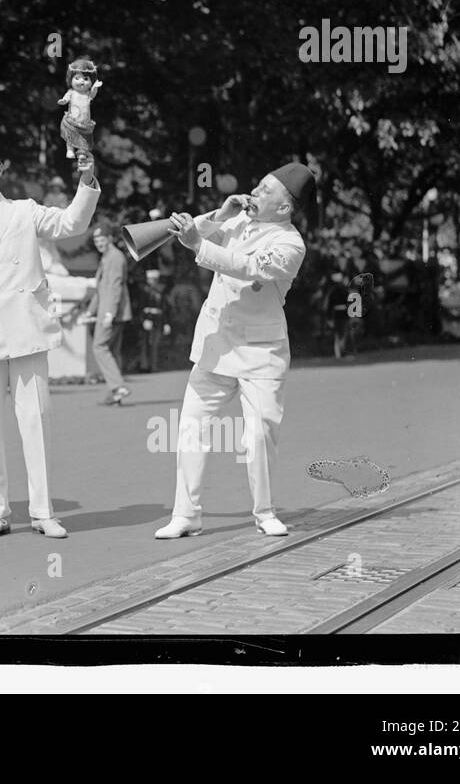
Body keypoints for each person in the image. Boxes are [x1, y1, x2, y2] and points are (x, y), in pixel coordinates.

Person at [0, 130, 101, 540]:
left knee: (36, 422)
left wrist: (86, 181)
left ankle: (43, 510)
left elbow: (71, 223)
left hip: (27, 330)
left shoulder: (25, 211)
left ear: (1, 168)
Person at [154, 162, 312, 541]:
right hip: (216, 342)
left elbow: (247, 266)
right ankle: (186, 514)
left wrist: (199, 244)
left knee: (258, 436)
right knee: (191, 428)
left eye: (264, 190)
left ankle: (265, 511)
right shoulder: (238, 221)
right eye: (256, 186)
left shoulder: (291, 243)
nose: (254, 193)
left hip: (261, 351)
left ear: (285, 208)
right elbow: (196, 233)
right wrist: (221, 213)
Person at [82, 223, 131, 405]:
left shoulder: (115, 258)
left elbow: (114, 286)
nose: (98, 243)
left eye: (101, 239)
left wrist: (109, 313)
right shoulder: (107, 257)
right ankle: (115, 393)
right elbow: (101, 289)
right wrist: (90, 311)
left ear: (110, 238)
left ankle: (118, 387)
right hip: (110, 311)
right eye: (96, 240)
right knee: (111, 350)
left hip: (112, 312)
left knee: (99, 347)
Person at [136, 268, 172, 373]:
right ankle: (144, 366)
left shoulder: (161, 292)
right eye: (151, 279)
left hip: (159, 320)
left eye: (155, 279)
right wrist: (144, 319)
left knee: (155, 344)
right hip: (148, 319)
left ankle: (154, 366)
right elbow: (141, 307)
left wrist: (166, 323)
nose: (153, 281)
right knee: (145, 343)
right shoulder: (145, 292)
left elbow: (165, 308)